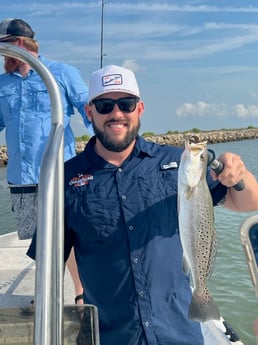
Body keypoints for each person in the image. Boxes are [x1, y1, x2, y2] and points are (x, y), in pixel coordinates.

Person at [28, 64, 258, 345]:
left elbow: (247, 203)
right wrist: (78, 291)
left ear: (139, 109)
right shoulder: (64, 179)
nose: (116, 114)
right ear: (89, 113)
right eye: (104, 105)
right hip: (111, 334)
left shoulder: (176, 163)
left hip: (178, 330)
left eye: (126, 104)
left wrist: (239, 175)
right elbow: (55, 255)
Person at [0, 18, 92, 304]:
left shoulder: (61, 73)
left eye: (2, 48)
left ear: (17, 44)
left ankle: (80, 291)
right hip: (20, 177)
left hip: (59, 174)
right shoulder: (2, 83)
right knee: (38, 239)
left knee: (68, 237)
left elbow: (90, 111)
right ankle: (44, 292)